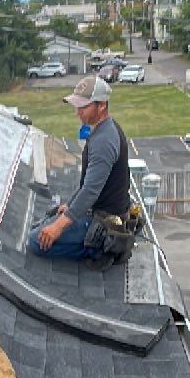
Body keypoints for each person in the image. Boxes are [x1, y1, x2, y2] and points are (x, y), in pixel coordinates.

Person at [27, 74, 130, 259]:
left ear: (102, 105)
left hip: (103, 220)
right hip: (99, 211)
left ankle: (100, 248)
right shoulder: (104, 129)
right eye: (77, 106)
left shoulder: (104, 142)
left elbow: (90, 191)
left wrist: (58, 228)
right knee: (44, 224)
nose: (78, 112)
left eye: (84, 106)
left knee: (36, 241)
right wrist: (70, 205)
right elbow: (87, 183)